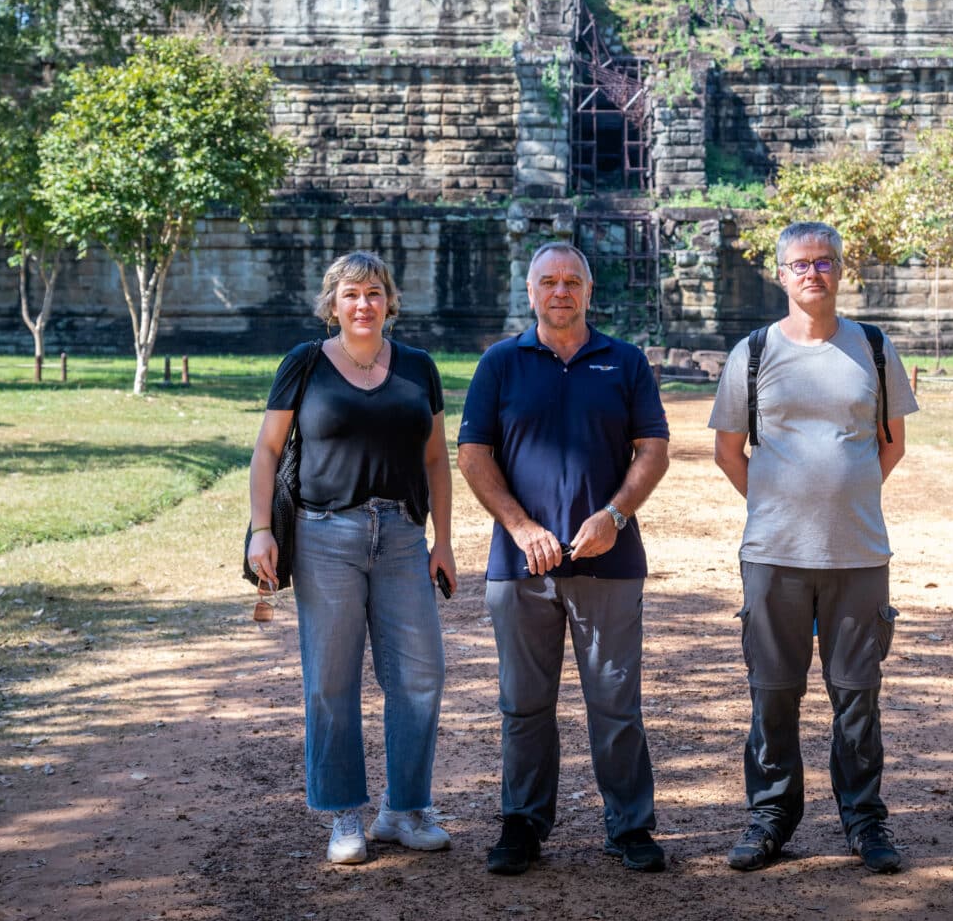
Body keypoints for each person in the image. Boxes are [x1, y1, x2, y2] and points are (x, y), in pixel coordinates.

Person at [708, 221, 918, 875]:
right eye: (800, 264)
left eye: (824, 261)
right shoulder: (752, 352)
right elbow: (726, 450)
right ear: (781, 274)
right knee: (773, 692)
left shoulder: (875, 349)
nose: (812, 274)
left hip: (858, 554)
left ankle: (864, 819)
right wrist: (781, 502)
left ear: (840, 270)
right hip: (773, 555)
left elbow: (892, 442)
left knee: (857, 693)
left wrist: (841, 498)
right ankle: (771, 815)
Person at [456, 242, 672, 876]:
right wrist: (521, 529)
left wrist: (614, 516)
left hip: (610, 563)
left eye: (571, 281)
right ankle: (522, 825)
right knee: (523, 705)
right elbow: (473, 455)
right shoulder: (500, 363)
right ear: (531, 293)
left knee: (615, 705)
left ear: (588, 290)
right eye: (547, 282)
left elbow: (652, 450)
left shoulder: (625, 362)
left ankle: (631, 827)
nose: (560, 292)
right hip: (521, 566)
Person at [246, 251, 457, 866]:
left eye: (373, 293)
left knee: (420, 674)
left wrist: (442, 540)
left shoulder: (419, 368)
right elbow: (266, 450)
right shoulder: (305, 364)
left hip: (400, 536)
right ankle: (345, 816)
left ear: (390, 301)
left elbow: (437, 460)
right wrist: (263, 530)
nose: (363, 304)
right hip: (322, 536)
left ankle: (404, 809)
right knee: (332, 681)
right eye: (350, 294)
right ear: (332, 304)